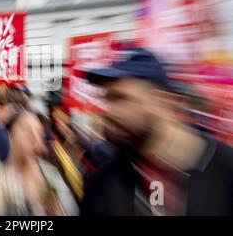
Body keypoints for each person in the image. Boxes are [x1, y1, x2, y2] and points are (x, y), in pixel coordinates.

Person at [80, 47, 233, 216]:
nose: (109, 112)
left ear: (163, 101)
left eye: (121, 98)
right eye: (107, 100)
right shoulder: (103, 185)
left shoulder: (225, 169)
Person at [6, 110, 79, 215]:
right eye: (27, 130)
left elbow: (71, 210)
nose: (34, 137)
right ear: (10, 135)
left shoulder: (50, 173)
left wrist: (58, 211)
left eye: (38, 132)